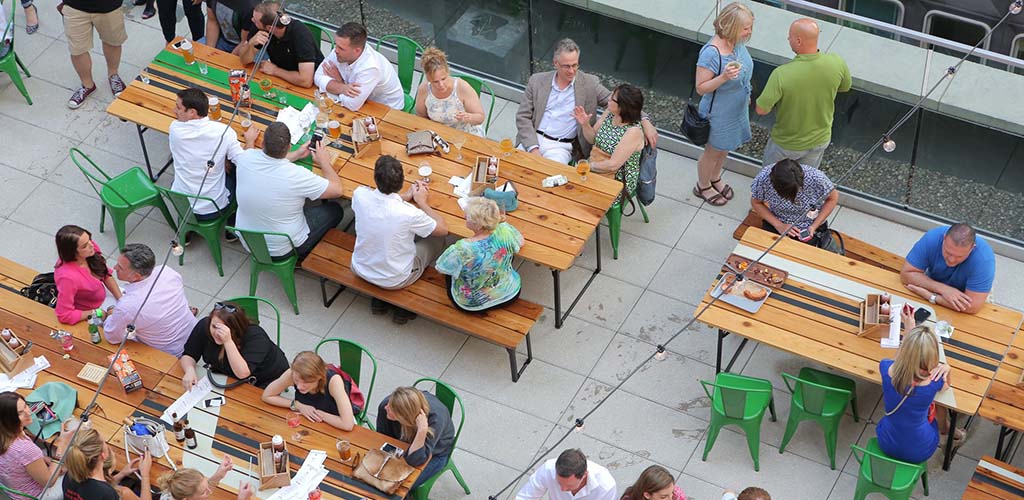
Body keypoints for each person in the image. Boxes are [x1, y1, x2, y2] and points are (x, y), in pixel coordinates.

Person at [515, 38, 657, 164]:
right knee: (511, 173)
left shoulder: (589, 84)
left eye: (575, 65)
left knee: (550, 180)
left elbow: (621, 101)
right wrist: (533, 148)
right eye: (567, 66)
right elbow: (523, 116)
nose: (572, 71)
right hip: (532, 139)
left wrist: (645, 120)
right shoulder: (537, 81)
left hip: (560, 148)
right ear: (555, 63)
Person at [350, 155, 448, 324]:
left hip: (360, 267)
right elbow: (442, 230)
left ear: (375, 178)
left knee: (397, 235)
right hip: (395, 278)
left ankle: (380, 300)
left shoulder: (360, 195)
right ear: (402, 181)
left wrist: (406, 196)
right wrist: (422, 202)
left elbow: (383, 202)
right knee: (437, 241)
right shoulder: (409, 213)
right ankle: (401, 305)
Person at [233, 121, 344, 260]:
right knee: (334, 210)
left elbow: (253, 154)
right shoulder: (297, 175)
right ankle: (301, 256)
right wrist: (324, 162)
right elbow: (337, 190)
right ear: (289, 147)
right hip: (283, 249)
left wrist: (296, 155)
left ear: (262, 144)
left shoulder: (244, 158)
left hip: (248, 241)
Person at [755, 18, 852, 168]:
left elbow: (761, 110)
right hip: (820, 140)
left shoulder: (781, 74)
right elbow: (845, 87)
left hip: (786, 144)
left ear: (799, 41)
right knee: (804, 180)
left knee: (771, 179)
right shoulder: (837, 62)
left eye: (790, 36)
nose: (788, 39)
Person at [169, 87, 258, 243]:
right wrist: (250, 141)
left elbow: (199, 148)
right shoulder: (223, 132)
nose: (174, 110)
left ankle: (187, 229)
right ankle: (232, 223)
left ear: (192, 112)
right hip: (212, 208)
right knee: (237, 174)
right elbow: (245, 163)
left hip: (182, 204)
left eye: (178, 107)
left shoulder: (175, 129)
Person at [876, 307, 958, 463]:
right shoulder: (934, 382)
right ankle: (948, 430)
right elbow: (947, 386)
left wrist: (908, 328)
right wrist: (947, 369)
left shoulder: (886, 368)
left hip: (886, 442)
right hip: (920, 449)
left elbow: (898, 360)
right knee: (937, 410)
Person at [692, 2, 754, 207]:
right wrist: (724, 77)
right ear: (732, 27)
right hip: (718, 112)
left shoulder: (737, 43)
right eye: (745, 28)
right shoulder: (711, 53)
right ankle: (703, 185)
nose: (749, 32)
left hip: (736, 108)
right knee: (713, 151)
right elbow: (701, 88)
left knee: (725, 147)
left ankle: (715, 177)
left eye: (750, 27)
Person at [102, 244, 197, 357]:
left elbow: (112, 337)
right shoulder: (168, 272)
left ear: (136, 276)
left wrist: (111, 313)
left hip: (169, 353)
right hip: (194, 334)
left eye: (120, 267)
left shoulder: (128, 306)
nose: (114, 268)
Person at [435, 197, 522, 312]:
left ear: (479, 225)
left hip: (474, 302)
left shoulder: (461, 249)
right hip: (510, 291)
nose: (464, 216)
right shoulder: (505, 230)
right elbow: (520, 242)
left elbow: (441, 268)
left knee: (451, 274)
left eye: (468, 216)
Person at [179, 301, 289, 389]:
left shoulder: (256, 337)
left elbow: (243, 373)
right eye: (214, 326)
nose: (217, 333)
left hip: (263, 378)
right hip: (222, 374)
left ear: (236, 328)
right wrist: (189, 370)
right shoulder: (204, 325)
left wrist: (227, 341)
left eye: (224, 329)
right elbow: (189, 354)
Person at [575, 83, 645, 206]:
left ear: (623, 107)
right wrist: (585, 124)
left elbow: (613, 165)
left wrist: (588, 166)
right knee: (568, 189)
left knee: (579, 198)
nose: (609, 99)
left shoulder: (633, 131)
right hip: (596, 165)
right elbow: (592, 139)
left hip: (616, 179)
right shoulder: (610, 113)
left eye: (613, 99)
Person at [901, 223, 995, 314]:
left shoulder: (984, 259)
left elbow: (972, 306)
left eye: (959, 256)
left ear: (972, 248)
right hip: (934, 284)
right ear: (944, 238)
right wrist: (943, 289)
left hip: (968, 294)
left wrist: (931, 297)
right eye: (948, 252)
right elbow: (906, 274)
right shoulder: (932, 238)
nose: (951, 260)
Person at [376, 387, 455, 490]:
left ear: (404, 417)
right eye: (389, 404)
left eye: (391, 409)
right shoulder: (386, 405)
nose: (386, 407)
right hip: (402, 446)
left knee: (399, 486)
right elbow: (382, 438)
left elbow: (416, 460)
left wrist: (422, 430)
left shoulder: (435, 420)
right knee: (377, 475)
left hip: (436, 454)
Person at [313, 22, 405, 111]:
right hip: (363, 102)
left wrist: (339, 82)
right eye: (336, 45)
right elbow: (317, 77)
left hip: (387, 110)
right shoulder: (339, 52)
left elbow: (352, 105)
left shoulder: (370, 68)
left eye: (341, 48)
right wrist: (342, 87)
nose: (335, 50)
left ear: (357, 50)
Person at [0, 392, 71, 500]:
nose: (28, 412)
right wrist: (62, 445)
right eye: (20, 413)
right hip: (38, 494)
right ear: (8, 419)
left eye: (26, 406)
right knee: (78, 467)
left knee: (54, 453)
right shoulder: (24, 448)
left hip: (13, 488)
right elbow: (49, 482)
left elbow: (26, 459)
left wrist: (49, 461)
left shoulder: (6, 433)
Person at [262, 351, 358, 431]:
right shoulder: (293, 373)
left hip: (334, 422)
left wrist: (317, 414)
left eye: (306, 382)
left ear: (319, 377)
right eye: (296, 381)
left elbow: (347, 424)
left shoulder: (334, 381)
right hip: (307, 423)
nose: (299, 387)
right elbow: (267, 395)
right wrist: (297, 405)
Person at [58, 0, 128, 108]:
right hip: (74, 6)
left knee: (113, 42)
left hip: (110, 6)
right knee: (77, 50)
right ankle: (87, 85)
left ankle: (113, 75)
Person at [749, 159, 839, 244]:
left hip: (809, 224)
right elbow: (756, 202)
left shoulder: (816, 178)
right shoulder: (763, 179)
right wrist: (779, 225)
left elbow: (832, 198)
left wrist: (814, 226)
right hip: (777, 219)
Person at [239, 1, 323, 87]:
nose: (252, 20)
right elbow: (244, 61)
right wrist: (251, 44)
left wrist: (275, 70)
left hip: (312, 85)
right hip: (282, 79)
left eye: (255, 20)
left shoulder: (301, 35)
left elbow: (306, 81)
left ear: (270, 28)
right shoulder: (260, 27)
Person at [54, 225, 121, 325]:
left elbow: (105, 274)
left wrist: (121, 299)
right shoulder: (67, 278)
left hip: (103, 297)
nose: (91, 245)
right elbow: (64, 315)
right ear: (72, 252)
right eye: (84, 246)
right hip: (90, 310)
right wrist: (98, 313)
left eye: (89, 239)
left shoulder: (89, 251)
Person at [414, 47, 485, 136]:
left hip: (465, 134)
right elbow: (421, 115)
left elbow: (480, 117)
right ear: (428, 79)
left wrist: (468, 117)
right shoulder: (424, 89)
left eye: (443, 79)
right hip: (439, 134)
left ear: (448, 72)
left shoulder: (462, 87)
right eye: (435, 82)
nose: (441, 84)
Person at [63, 427, 150, 500]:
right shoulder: (109, 494)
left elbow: (94, 487)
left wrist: (121, 474)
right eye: (104, 442)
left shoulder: (71, 475)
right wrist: (145, 475)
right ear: (103, 455)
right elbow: (101, 490)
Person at [515, 448, 617, 500]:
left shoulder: (606, 486)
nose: (563, 489)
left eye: (569, 486)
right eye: (559, 483)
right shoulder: (548, 469)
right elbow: (525, 497)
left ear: (584, 475)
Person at [156, 456, 253, 500]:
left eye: (206, 482)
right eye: (203, 492)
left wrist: (219, 474)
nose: (210, 491)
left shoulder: (177, 488)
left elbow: (200, 488)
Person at [620, 465, 685, 500]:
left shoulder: (677, 494)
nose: (670, 499)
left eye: (672, 492)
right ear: (647, 495)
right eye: (663, 497)